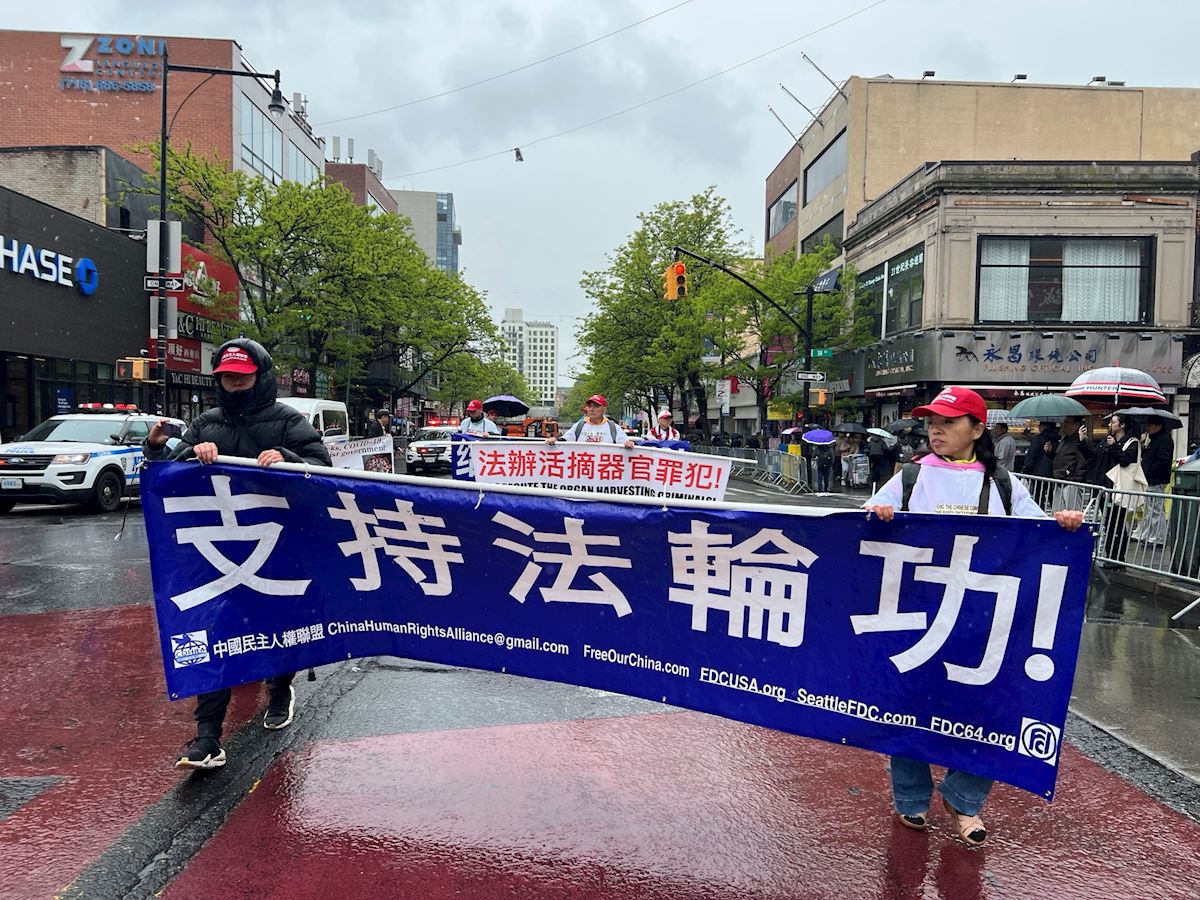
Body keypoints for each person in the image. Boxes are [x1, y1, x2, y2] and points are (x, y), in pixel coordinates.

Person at [863, 386, 1083, 846]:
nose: (936, 430)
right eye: (933, 422)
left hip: (985, 621)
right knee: (909, 707)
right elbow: (863, 524)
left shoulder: (1002, 483)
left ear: (977, 429)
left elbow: (1037, 533)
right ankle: (911, 798)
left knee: (988, 709)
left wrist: (1063, 525)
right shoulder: (911, 476)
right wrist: (876, 512)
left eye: (949, 422)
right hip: (919, 616)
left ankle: (964, 800)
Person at [143, 338, 332, 771]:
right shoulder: (205, 423)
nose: (235, 384)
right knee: (215, 635)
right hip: (217, 551)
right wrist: (175, 451)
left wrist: (286, 457)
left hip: (276, 546)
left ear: (260, 377)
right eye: (227, 377)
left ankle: (279, 689)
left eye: (242, 377)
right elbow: (166, 476)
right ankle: (208, 737)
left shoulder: (288, 420)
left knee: (279, 625)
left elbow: (321, 467)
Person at [1092, 413, 1143, 566]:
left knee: (1117, 522)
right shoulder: (1107, 440)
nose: (1110, 425)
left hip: (1118, 488)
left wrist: (1114, 446)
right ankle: (1110, 556)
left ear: (1122, 425)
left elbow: (1126, 461)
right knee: (1108, 522)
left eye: (1113, 422)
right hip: (1105, 486)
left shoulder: (1132, 442)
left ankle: (1117, 558)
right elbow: (1094, 457)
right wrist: (1083, 443)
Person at [1133, 418, 1172, 547]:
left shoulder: (1164, 440)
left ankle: (1157, 538)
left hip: (1156, 479)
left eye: (1150, 424)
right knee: (1151, 511)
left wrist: (1149, 471)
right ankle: (1151, 536)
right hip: (1151, 479)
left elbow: (1163, 460)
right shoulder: (1154, 440)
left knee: (1156, 510)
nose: (1147, 427)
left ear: (1158, 425)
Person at [548, 395, 634, 448]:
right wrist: (553, 440)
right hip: (584, 469)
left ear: (604, 409)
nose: (592, 409)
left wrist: (629, 444)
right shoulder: (579, 426)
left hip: (605, 469)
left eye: (596, 406)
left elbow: (627, 443)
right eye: (589, 406)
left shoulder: (613, 427)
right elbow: (563, 441)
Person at [1050, 416, 1090, 511]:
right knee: (1059, 513)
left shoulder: (1080, 441)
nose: (1065, 425)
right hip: (1059, 479)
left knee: (1073, 513)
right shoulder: (1064, 439)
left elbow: (1082, 461)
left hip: (1071, 481)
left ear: (1076, 425)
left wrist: (1075, 478)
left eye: (1068, 422)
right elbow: (1059, 456)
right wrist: (1050, 452)